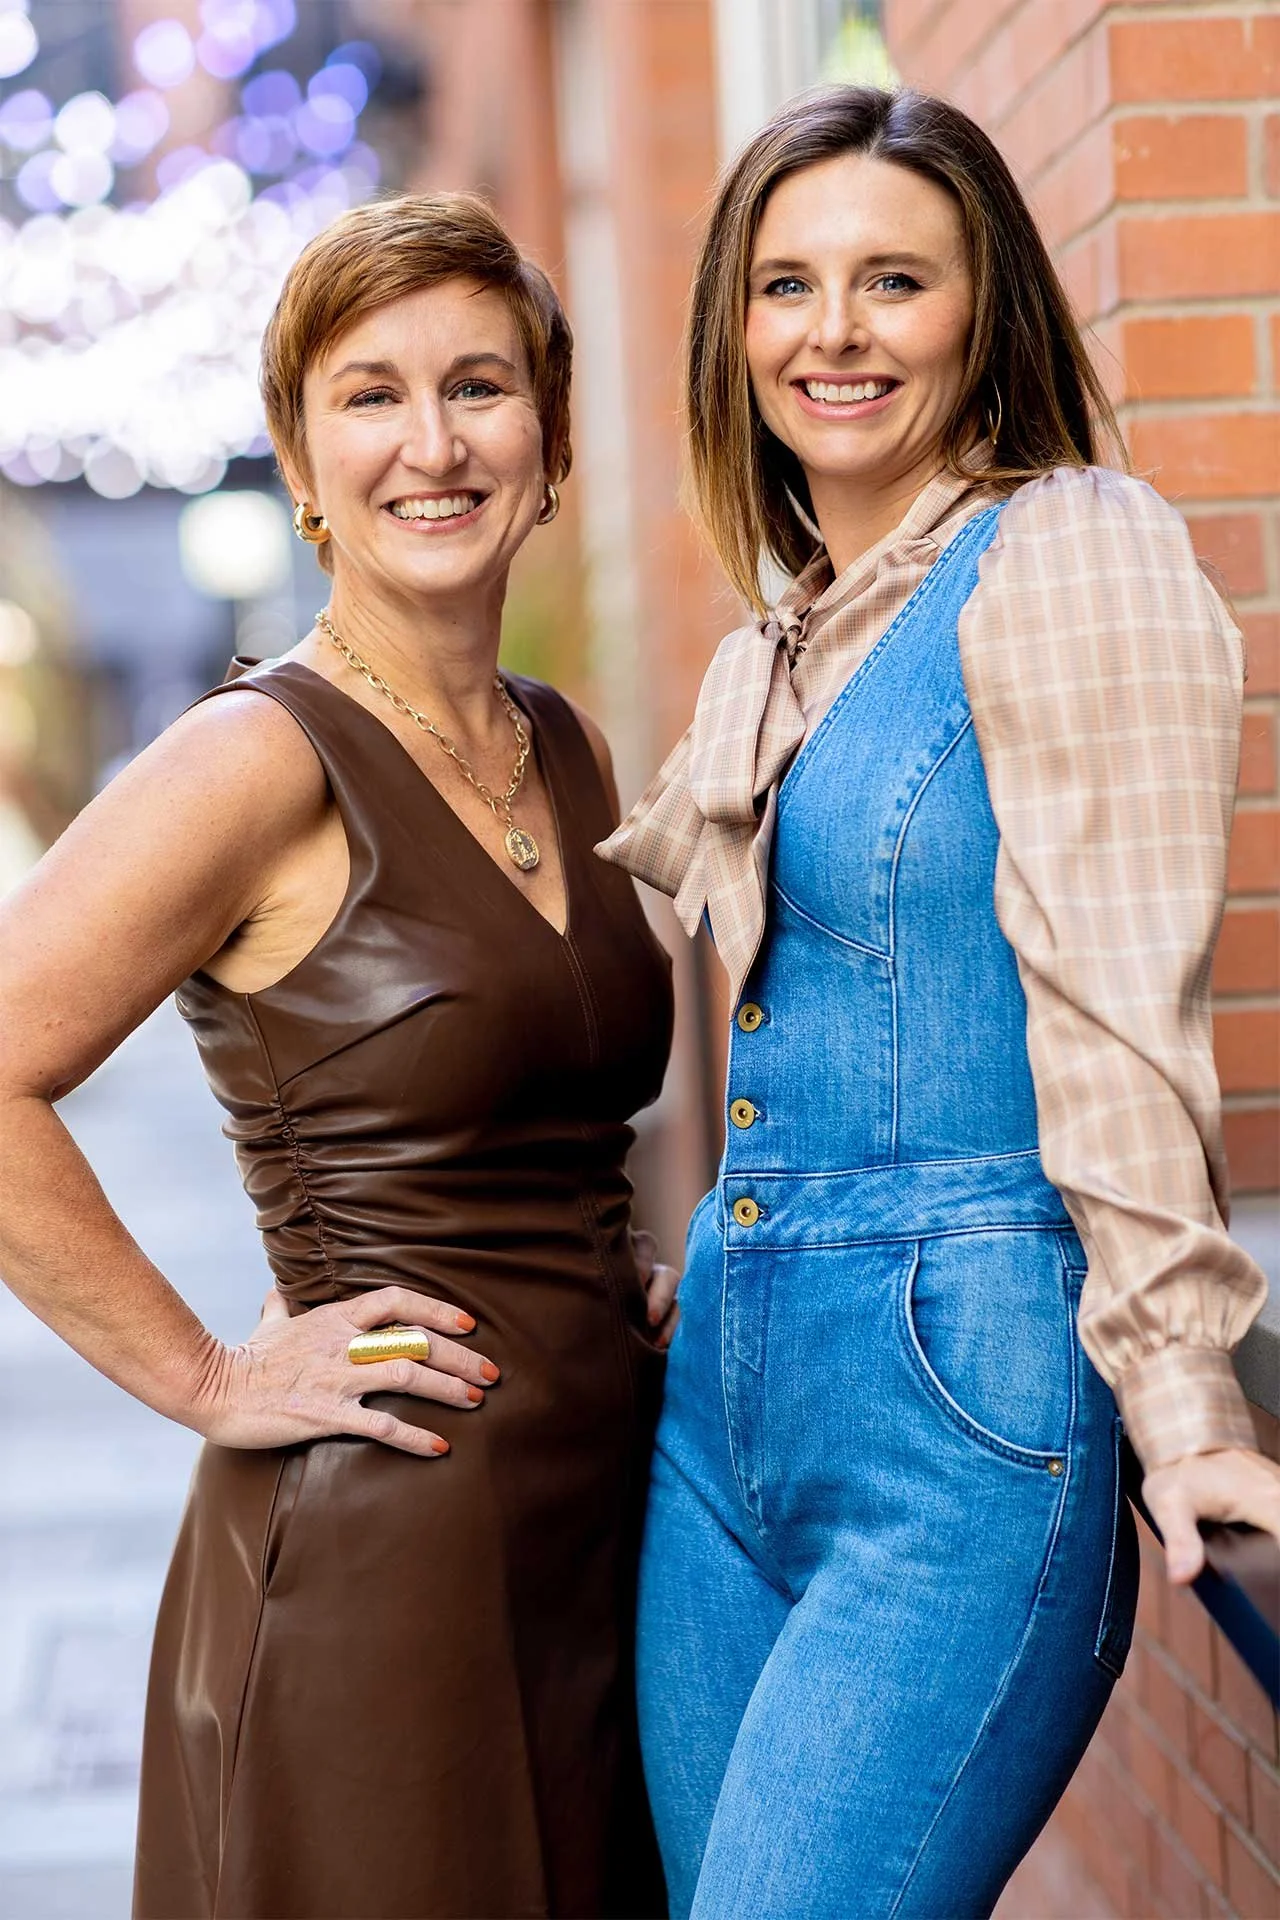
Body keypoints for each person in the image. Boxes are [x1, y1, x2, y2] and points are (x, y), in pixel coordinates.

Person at [599, 86, 1280, 1919]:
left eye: (893, 279)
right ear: (730, 331)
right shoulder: (783, 639)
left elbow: (1114, 998)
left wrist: (1191, 1401)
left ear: (985, 316)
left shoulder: (1068, 552)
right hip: (725, 1409)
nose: (833, 332)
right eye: (786, 284)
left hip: (960, 1407)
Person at [0, 193, 676, 1920]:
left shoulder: (567, 748)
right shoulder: (257, 756)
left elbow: (533, 1123)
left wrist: (618, 1276)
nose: (431, 442)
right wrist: (212, 1382)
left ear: (551, 436)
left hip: (614, 1535)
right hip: (392, 1564)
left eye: (480, 387)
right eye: (369, 396)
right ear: (301, 460)